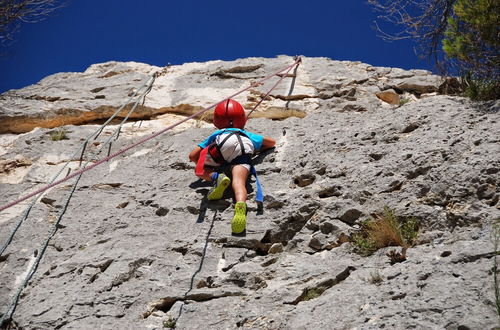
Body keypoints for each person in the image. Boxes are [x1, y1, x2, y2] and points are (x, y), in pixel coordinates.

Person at [189, 99, 276, 234]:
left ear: (216, 121)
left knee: (199, 170)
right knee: (239, 183)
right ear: (243, 119)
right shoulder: (245, 134)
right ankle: (240, 206)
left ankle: (216, 177)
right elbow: (271, 143)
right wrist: (256, 149)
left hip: (220, 159)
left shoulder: (217, 134)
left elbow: (193, 155)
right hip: (242, 157)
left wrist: (206, 168)